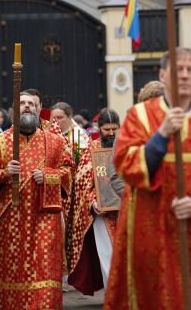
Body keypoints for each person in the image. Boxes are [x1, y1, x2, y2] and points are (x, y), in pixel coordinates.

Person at [104, 47, 191, 310]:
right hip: (150, 223)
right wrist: (162, 133)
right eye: (178, 70)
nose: (185, 75)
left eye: (190, 70)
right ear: (163, 75)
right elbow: (125, 165)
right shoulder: (139, 116)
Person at [0, 93, 74, 309]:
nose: (27, 107)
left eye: (32, 104)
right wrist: (4, 173)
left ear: (39, 109)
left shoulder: (56, 142)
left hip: (44, 221)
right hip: (10, 223)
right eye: (22, 103)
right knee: (11, 276)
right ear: (14, 109)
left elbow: (69, 171)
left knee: (46, 276)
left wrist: (49, 175)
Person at [66, 108, 122, 295]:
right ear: (99, 128)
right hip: (102, 214)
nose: (112, 133)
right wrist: (92, 203)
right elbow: (81, 184)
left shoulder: (128, 147)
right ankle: (113, 296)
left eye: (115, 129)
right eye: (107, 129)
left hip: (126, 212)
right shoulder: (91, 150)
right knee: (107, 255)